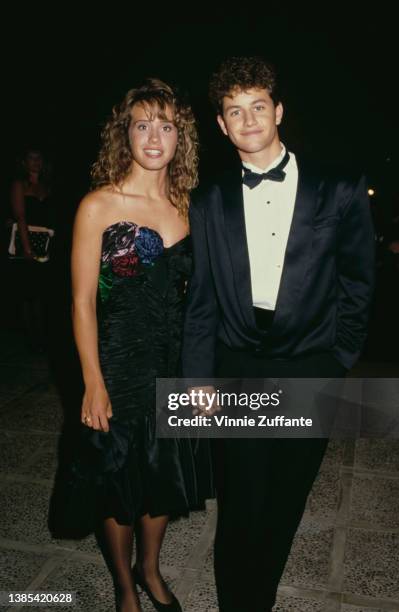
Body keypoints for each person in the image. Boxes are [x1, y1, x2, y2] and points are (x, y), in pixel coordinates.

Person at [182, 56, 375, 611]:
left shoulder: (338, 190)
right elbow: (202, 300)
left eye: (257, 107)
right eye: (233, 111)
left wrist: (338, 358)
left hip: (312, 364)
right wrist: (198, 378)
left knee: (286, 500)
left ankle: (259, 599)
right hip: (238, 361)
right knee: (241, 500)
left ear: (279, 111)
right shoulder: (209, 200)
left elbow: (359, 283)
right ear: (221, 125)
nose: (247, 120)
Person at [53, 79, 210, 612]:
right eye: (142, 123)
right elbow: (81, 303)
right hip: (116, 367)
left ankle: (150, 567)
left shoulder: (188, 206)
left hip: (171, 365)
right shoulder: (98, 205)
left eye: (165, 126)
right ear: (126, 133)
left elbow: (198, 301)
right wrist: (92, 382)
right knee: (117, 483)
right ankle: (125, 586)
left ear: (179, 137)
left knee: (163, 477)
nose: (153, 136)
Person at [8, 147, 55, 350]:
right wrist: (27, 248)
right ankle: (30, 339)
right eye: (31, 158)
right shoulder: (19, 185)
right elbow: (21, 216)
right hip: (25, 240)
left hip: (44, 241)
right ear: (24, 162)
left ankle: (41, 338)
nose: (36, 162)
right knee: (28, 293)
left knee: (41, 291)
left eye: (39, 158)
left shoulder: (47, 186)